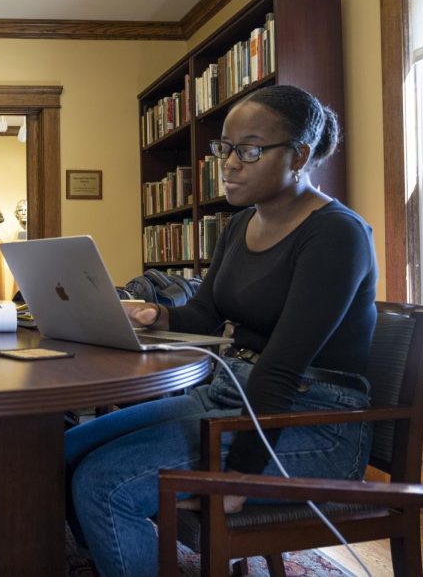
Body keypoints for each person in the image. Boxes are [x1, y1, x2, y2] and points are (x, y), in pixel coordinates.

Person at [65, 85, 378, 577]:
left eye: (248, 150)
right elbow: (205, 314)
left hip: (313, 421)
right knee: (66, 451)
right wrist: (151, 314)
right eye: (224, 148)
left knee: (103, 484)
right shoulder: (239, 226)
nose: (228, 164)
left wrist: (240, 477)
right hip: (233, 396)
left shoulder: (337, 234)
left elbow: (283, 364)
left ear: (298, 154)